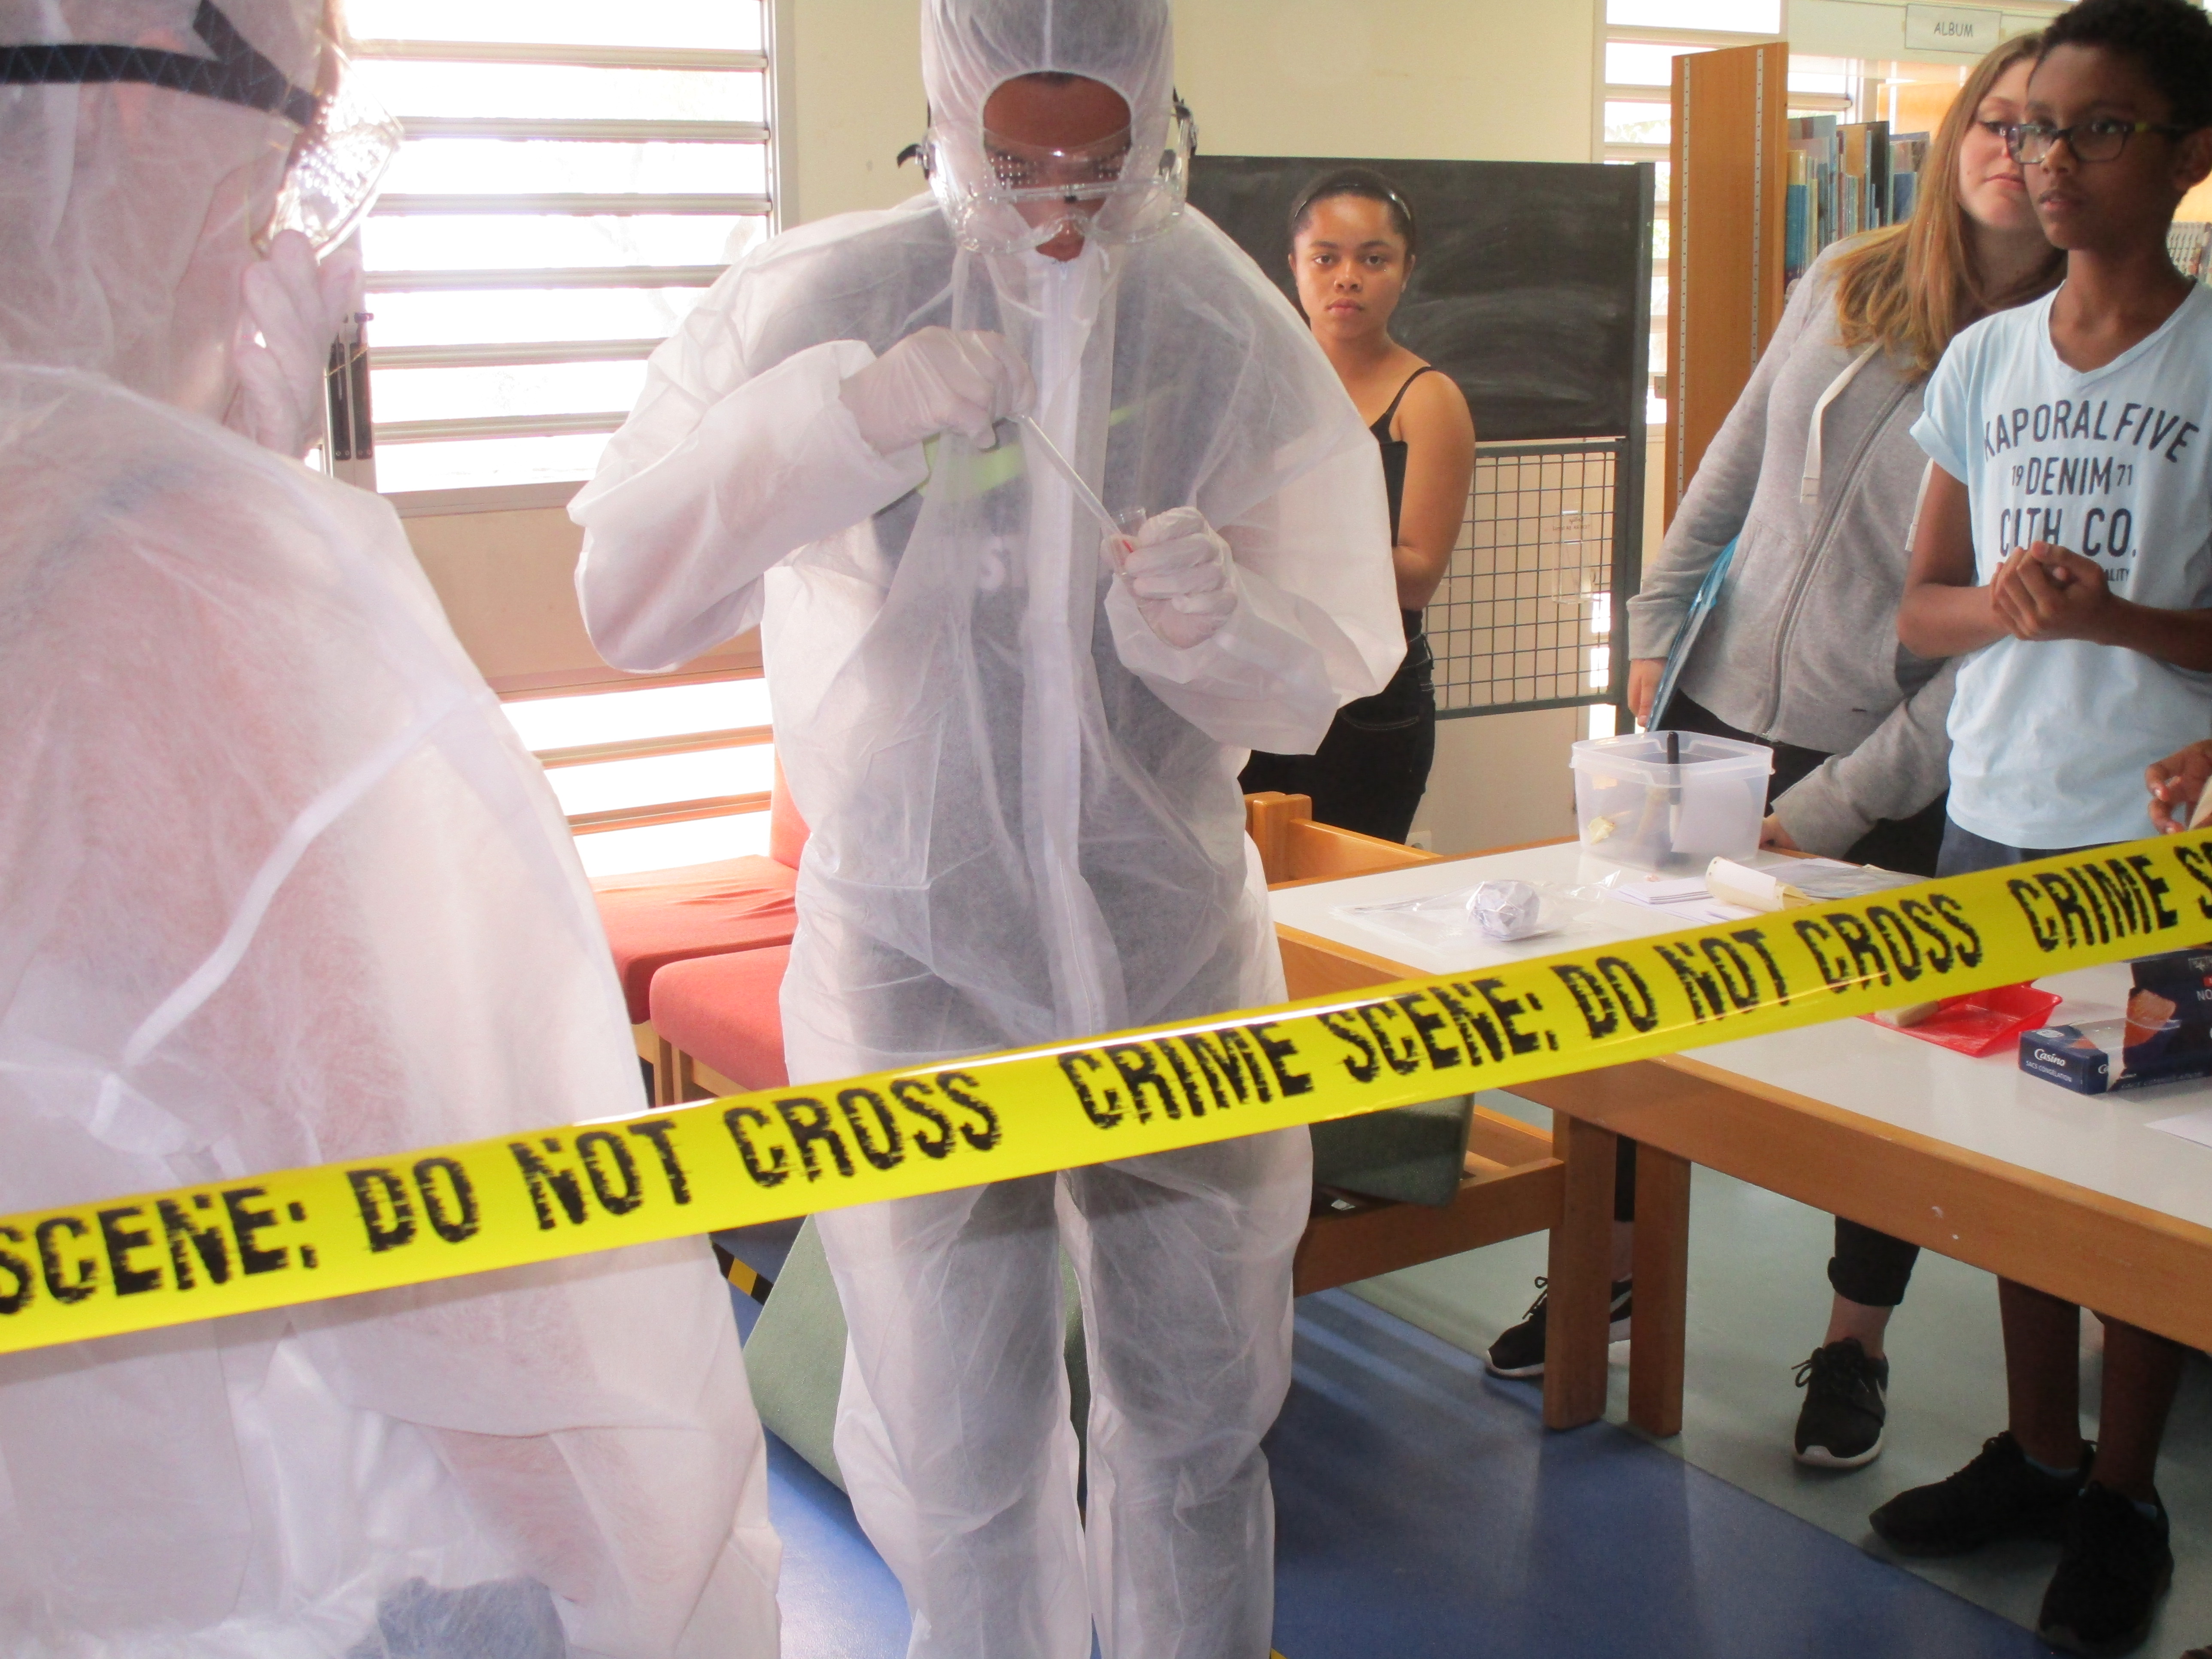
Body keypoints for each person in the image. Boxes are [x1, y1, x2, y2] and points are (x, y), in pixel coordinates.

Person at [568, 0, 1404, 1652]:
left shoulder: (1212, 317)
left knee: (1195, 1422)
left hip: (1167, 953)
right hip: (915, 954)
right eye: (1018, 162)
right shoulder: (834, 298)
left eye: (1103, 165)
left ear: (1156, 117)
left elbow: (1323, 670)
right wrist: (841, 423)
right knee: (959, 1444)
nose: (1060, 210)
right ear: (948, 112)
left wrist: (1216, 626)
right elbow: (632, 598)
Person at [0, 3, 782, 1653]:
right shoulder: (172, 577)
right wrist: (651, 1567)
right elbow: (433, 1225)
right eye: (287, 155)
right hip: (273, 1572)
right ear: (139, 99)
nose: (297, 224)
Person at [1488, 33, 2065, 1474]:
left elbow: (2002, 641)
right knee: (1639, 1007)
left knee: (1885, 1063)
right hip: (1714, 718)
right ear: (1958, 134)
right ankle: (1613, 1268)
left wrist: (1838, 802)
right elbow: (1731, 467)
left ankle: (1854, 1344)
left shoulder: (2064, 348)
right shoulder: (1850, 281)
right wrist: (1652, 631)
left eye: (2046, 128)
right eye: (1993, 119)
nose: (2012, 150)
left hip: (1892, 761)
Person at [1873, 2, 2212, 1650]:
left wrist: (2117, 618)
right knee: (2012, 1162)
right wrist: (2009, 608)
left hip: (2150, 849)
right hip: (1992, 822)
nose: (2050, 160)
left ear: (2190, 153)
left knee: (2132, 1186)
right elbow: (1920, 607)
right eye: (2029, 129)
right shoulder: (1986, 360)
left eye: (2098, 128)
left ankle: (2123, 1495)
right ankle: (2035, 1450)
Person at [1239, 168, 1476, 842]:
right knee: (1247, 889)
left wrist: (1271, 549)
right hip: (1257, 676)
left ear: (1405, 270)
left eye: (1373, 260)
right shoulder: (1255, 388)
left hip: (1370, 703)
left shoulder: (1428, 401)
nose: (1347, 279)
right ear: (1293, 266)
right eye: (1326, 259)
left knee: (1350, 890)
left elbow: (1417, 576)